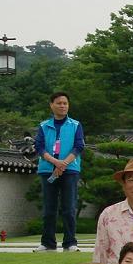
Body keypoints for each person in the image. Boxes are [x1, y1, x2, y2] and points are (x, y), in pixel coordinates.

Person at [35, 92, 85, 252]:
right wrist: (55, 162)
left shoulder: (76, 125)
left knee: (69, 207)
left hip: (69, 170)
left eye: (65, 103)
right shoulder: (44, 126)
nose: (62, 106)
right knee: (49, 208)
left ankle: (70, 242)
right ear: (51, 105)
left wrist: (63, 163)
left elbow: (79, 146)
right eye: (59, 103)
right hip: (47, 169)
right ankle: (47, 242)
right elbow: (39, 147)